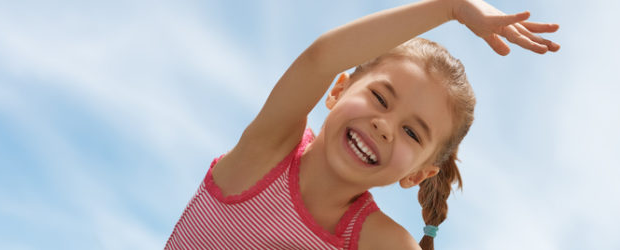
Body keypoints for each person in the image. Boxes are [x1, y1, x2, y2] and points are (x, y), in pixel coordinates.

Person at [165, 0, 560, 249]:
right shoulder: (267, 153)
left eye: (411, 132)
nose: (385, 126)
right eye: (380, 98)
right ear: (336, 90)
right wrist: (450, 7)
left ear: (418, 174)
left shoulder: (379, 241)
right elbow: (319, 58)